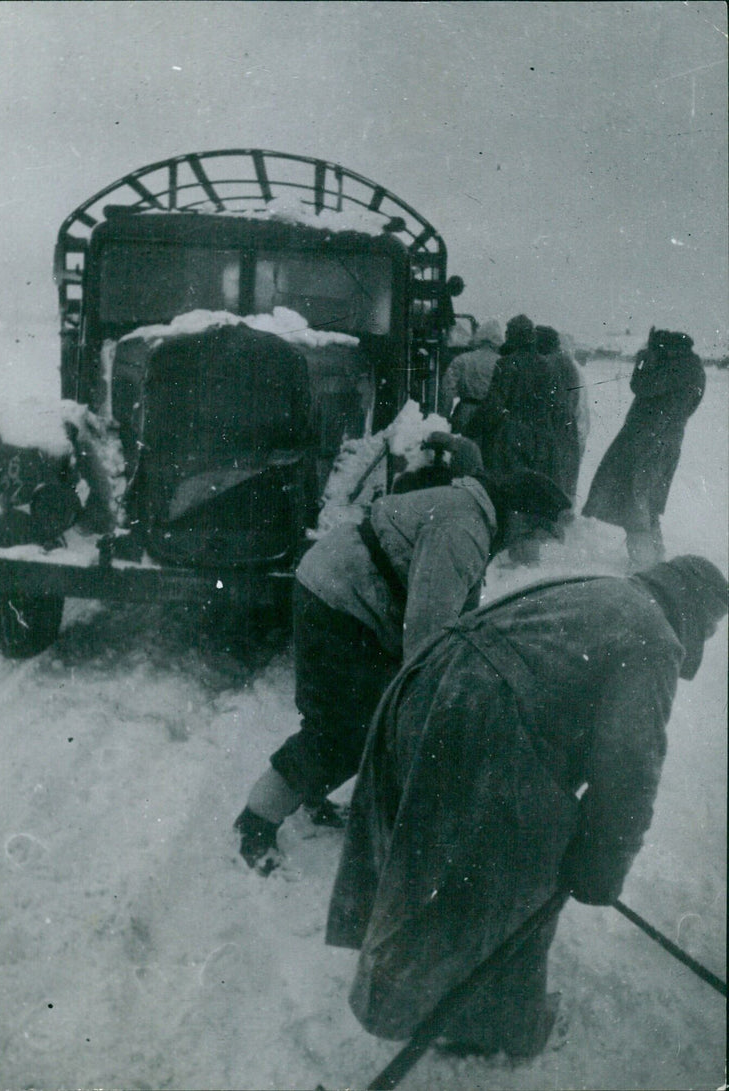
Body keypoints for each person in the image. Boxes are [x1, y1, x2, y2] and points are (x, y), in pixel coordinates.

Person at [325, 555, 727, 1060]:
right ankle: (488, 1027)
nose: (706, 640)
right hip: (481, 724)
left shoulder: (598, 587)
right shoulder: (655, 638)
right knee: (513, 879)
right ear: (694, 609)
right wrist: (599, 866)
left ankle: (404, 997)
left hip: (426, 687)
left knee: (422, 863)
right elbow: (628, 766)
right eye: (711, 628)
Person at [234, 436, 572, 873]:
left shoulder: (474, 520)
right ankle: (254, 823)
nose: (531, 547)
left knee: (371, 717)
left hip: (351, 601)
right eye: (535, 535)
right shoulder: (462, 529)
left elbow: (455, 614)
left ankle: (309, 794)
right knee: (342, 728)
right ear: (521, 517)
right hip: (335, 601)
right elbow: (426, 637)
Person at [583, 328, 706, 568]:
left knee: (636, 501)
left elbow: (641, 386)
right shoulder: (694, 369)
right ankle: (655, 559)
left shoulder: (677, 369)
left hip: (648, 442)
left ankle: (644, 565)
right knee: (648, 502)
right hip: (668, 441)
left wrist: (642, 364)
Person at [462, 314, 576, 564]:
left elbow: (494, 405)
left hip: (512, 439)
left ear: (512, 336)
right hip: (543, 440)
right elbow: (560, 409)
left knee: (512, 493)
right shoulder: (548, 365)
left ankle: (515, 557)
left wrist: (469, 431)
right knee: (534, 493)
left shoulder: (507, 364)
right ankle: (531, 554)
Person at [534, 324, 585, 504]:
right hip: (567, 425)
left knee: (550, 473)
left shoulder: (549, 363)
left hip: (552, 425)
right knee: (565, 475)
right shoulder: (568, 362)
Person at [438, 319, 503, 429]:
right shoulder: (502, 363)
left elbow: (447, 391)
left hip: (465, 413)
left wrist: (443, 418)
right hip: (492, 417)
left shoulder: (462, 360)